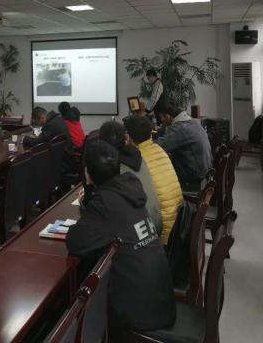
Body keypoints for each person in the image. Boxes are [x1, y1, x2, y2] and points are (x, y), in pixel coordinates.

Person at [66, 141, 176, 334]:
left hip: (140, 314)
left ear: (87, 173)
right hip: (161, 300)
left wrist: (90, 199)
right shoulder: (130, 189)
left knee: (84, 278)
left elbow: (75, 242)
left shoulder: (105, 203)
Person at [125, 115, 183, 244]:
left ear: (128, 137)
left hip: (163, 233)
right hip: (179, 223)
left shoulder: (137, 160)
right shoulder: (159, 149)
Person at [99, 120, 162, 236]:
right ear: (127, 138)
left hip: (142, 233)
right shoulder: (139, 156)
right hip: (157, 224)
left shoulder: (114, 168)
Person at [155, 102, 213, 191]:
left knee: (159, 173)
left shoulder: (179, 128)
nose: (161, 120)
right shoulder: (191, 121)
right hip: (205, 173)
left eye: (162, 117)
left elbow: (159, 146)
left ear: (168, 116)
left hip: (195, 178)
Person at [23, 107, 73, 172]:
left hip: (62, 161)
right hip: (66, 155)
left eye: (37, 122)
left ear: (42, 117)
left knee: (34, 158)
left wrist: (24, 138)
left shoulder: (50, 125)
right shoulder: (57, 119)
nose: (38, 125)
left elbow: (37, 142)